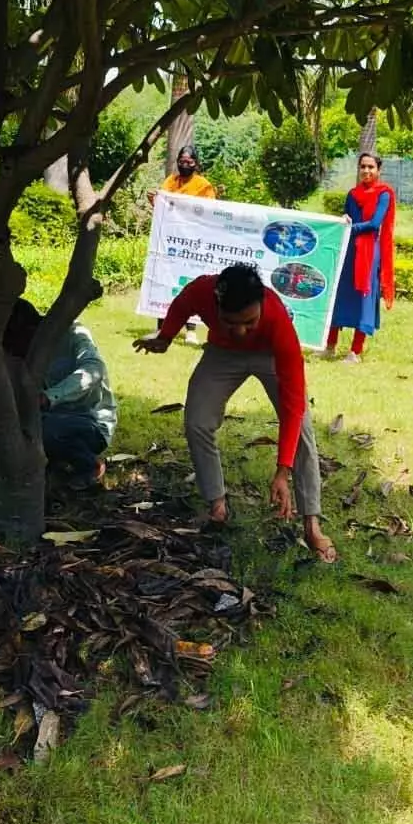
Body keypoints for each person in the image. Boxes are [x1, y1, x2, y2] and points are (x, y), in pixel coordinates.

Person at [134, 263, 336, 562]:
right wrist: (166, 336)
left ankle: (311, 523)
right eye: (231, 322)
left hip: (269, 354)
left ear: (262, 305)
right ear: (216, 304)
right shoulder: (203, 290)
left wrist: (282, 470)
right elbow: (182, 303)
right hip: (222, 354)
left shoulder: (278, 322)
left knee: (302, 429)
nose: (241, 331)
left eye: (250, 321)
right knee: (197, 421)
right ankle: (216, 506)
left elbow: (293, 407)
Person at [0, 300, 116, 484]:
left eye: (16, 342)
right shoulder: (11, 349)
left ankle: (90, 465)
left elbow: (93, 368)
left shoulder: (73, 335)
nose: (14, 350)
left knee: (46, 430)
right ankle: (42, 459)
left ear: (33, 330)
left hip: (85, 420)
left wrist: (51, 397)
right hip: (39, 418)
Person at [325, 152, 396, 363]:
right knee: (339, 295)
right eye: (363, 166)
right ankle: (330, 345)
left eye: (371, 167)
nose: (366, 171)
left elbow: (375, 224)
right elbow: (346, 217)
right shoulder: (352, 194)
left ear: (378, 170)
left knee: (363, 299)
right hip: (349, 252)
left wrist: (349, 228)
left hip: (369, 253)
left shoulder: (384, 194)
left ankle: (354, 351)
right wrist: (343, 220)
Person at [150, 146, 217, 344]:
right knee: (163, 280)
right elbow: (163, 206)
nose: (185, 165)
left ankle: (191, 331)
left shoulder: (204, 186)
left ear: (196, 163)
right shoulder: (171, 181)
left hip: (193, 243)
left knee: (191, 284)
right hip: (170, 241)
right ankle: (161, 327)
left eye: (189, 162)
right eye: (181, 161)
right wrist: (154, 201)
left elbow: (210, 212)